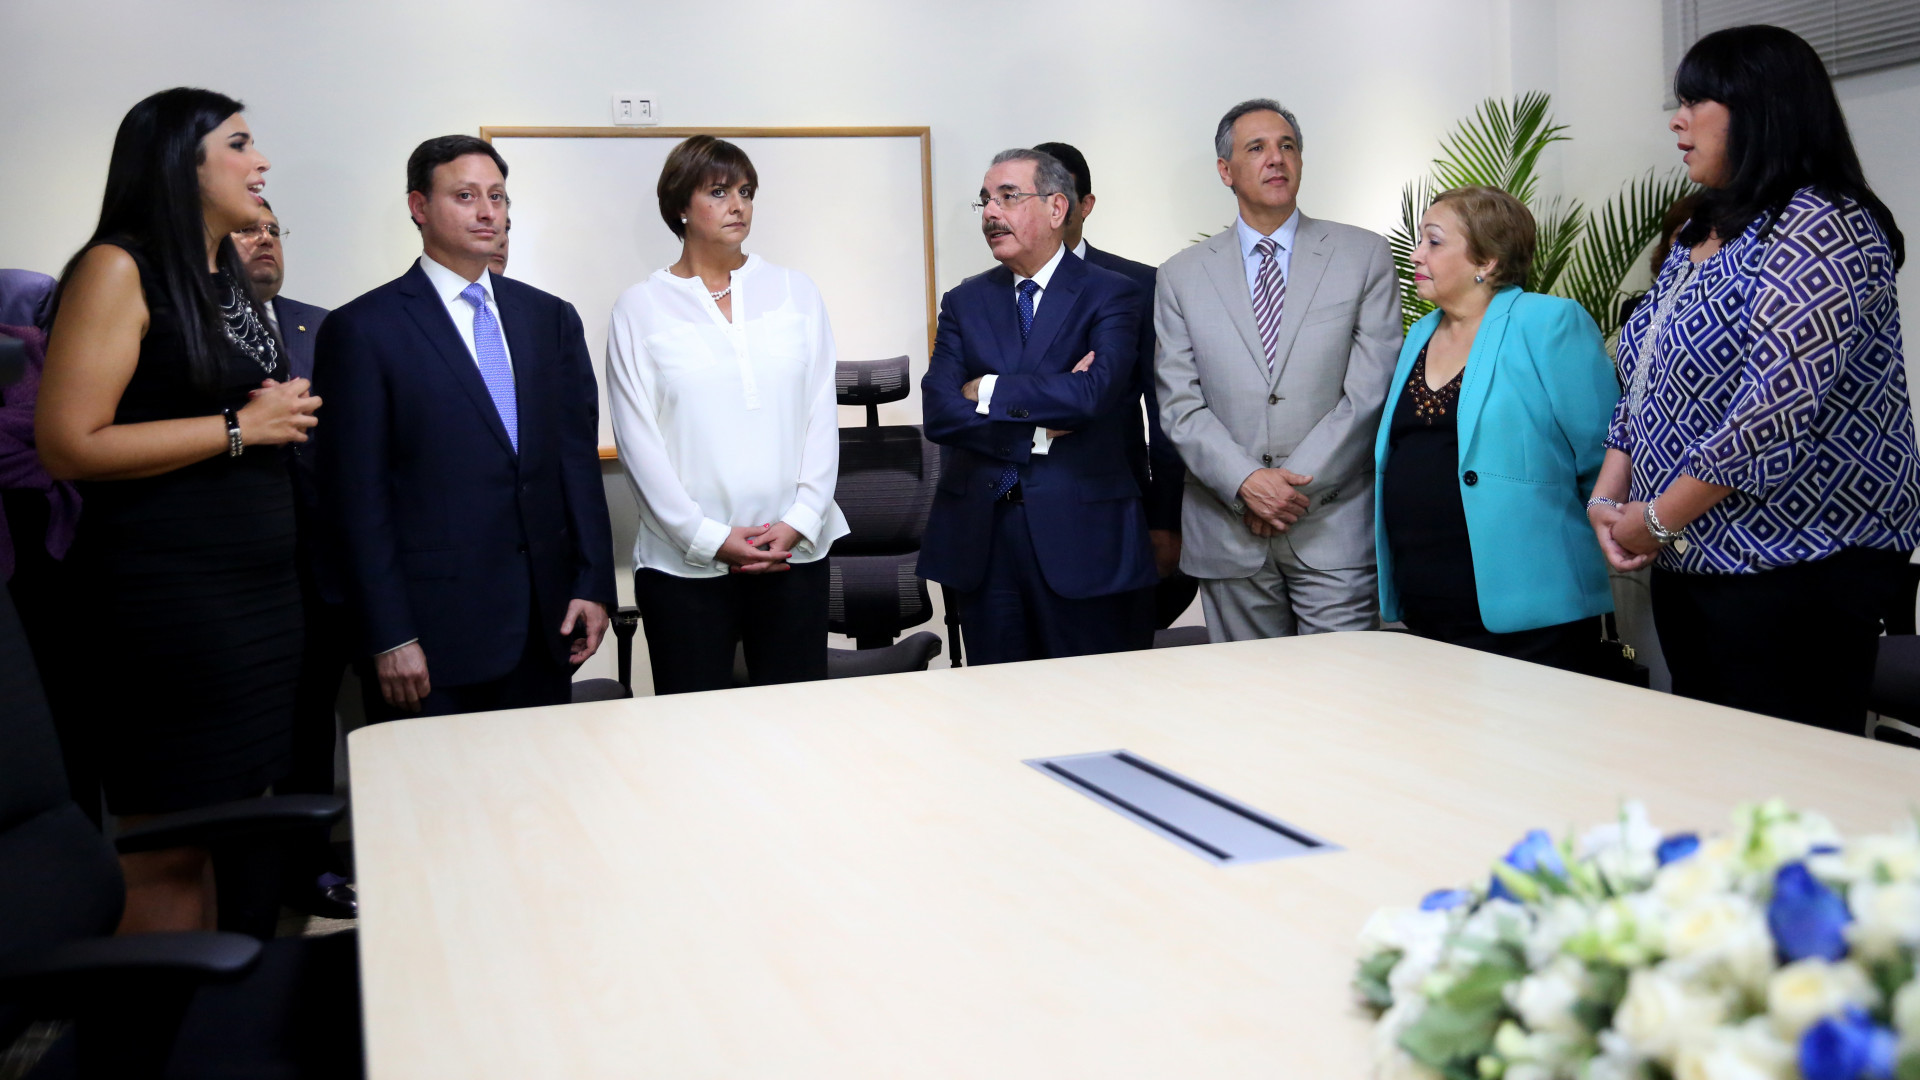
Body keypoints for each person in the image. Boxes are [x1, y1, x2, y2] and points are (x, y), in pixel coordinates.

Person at [36, 88, 321, 932]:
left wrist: (264, 413)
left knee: (228, 822)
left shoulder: (221, 274)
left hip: (252, 601)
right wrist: (241, 427)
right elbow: (70, 442)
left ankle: (221, 993)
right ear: (178, 164)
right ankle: (158, 1008)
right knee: (168, 844)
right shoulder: (117, 268)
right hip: (170, 606)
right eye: (238, 143)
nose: (261, 162)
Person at [1591, 24, 1920, 733]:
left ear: (1760, 109)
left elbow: (1773, 408)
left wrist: (1655, 518)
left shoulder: (1824, 223)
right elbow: (1643, 379)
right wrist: (1607, 496)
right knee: (1710, 768)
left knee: (1786, 780)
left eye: (1695, 101)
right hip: (1694, 554)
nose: (1677, 120)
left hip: (1799, 562)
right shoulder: (1701, 229)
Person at [314, 135, 616, 718]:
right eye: (465, 196)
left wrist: (593, 583)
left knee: (544, 772)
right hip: (431, 637)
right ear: (419, 207)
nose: (487, 212)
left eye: (497, 197)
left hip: (546, 624)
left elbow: (575, 465)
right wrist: (389, 634)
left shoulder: (549, 317)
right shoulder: (364, 329)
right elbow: (355, 499)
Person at [606, 136, 847, 694]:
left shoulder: (795, 291)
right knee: (693, 730)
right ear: (680, 206)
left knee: (799, 724)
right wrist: (705, 537)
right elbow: (638, 443)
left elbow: (820, 415)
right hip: (683, 567)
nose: (738, 205)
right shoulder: (639, 308)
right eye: (718, 192)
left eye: (746, 191)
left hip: (793, 555)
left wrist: (801, 521)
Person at [1155, 98, 1402, 642]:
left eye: (1287, 146)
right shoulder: (1180, 276)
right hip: (1228, 529)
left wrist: (1285, 493)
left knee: (1345, 686)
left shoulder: (1363, 255)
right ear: (1226, 171)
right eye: (1257, 148)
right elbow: (1179, 405)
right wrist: (1246, 482)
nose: (1276, 158)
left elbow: (1371, 392)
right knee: (1249, 691)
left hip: (1333, 525)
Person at [917, 148, 1156, 664]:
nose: (990, 212)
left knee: (1090, 695)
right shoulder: (965, 301)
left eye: (1008, 197)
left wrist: (986, 389)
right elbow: (938, 411)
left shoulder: (1112, 293)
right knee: (996, 699)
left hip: (1082, 534)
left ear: (1056, 208)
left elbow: (1091, 396)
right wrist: (1038, 431)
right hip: (983, 538)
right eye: (985, 200)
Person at [1375, 186, 1619, 670]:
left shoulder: (1547, 322)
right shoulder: (1420, 332)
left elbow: (1606, 453)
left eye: (1433, 241)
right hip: (1425, 598)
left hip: (1530, 608)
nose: (1416, 254)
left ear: (1486, 260)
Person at [230, 202, 354, 919]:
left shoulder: (323, 327)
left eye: (274, 231)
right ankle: (243, 886)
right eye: (249, 230)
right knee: (243, 742)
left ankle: (312, 868)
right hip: (239, 570)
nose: (265, 241)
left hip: (324, 564)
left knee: (313, 727)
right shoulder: (197, 332)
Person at [1033, 141, 1196, 634]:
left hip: (1117, 508)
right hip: (1023, 508)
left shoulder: (1138, 285)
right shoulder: (985, 292)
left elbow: (1166, 411)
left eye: (1060, 196)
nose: (1049, 209)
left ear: (1085, 205)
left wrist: (1164, 520)